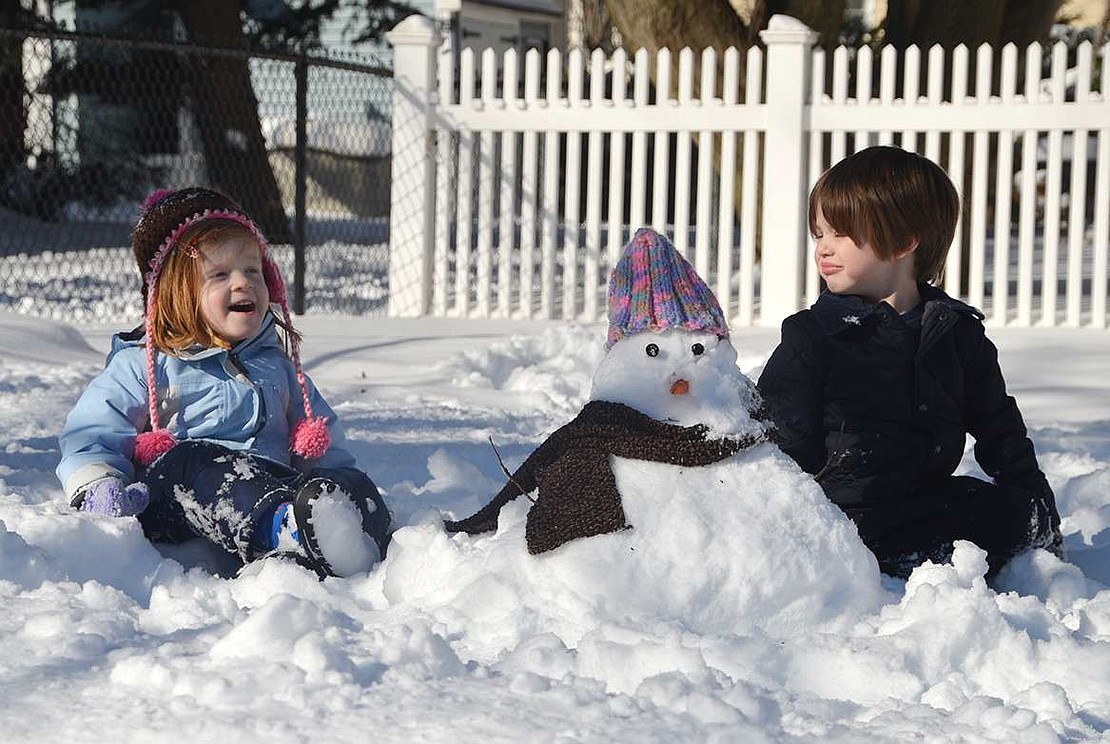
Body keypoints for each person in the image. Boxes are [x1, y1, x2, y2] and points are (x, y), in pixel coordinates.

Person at [757, 146, 1061, 579]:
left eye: (840, 233)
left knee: (1005, 511)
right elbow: (780, 442)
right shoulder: (814, 336)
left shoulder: (955, 334)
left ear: (903, 241)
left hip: (926, 498)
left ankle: (946, 557)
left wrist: (1034, 499)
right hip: (843, 518)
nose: (823, 247)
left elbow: (998, 424)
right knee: (897, 538)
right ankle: (903, 569)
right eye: (819, 233)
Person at [56, 187, 391, 578]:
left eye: (253, 270)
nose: (244, 283)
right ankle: (286, 531)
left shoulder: (276, 366)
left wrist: (336, 484)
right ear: (175, 294)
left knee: (342, 476)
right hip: (178, 498)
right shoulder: (145, 364)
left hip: (272, 482)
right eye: (220, 274)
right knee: (192, 460)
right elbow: (91, 430)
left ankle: (363, 531)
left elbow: (323, 441)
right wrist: (97, 483)